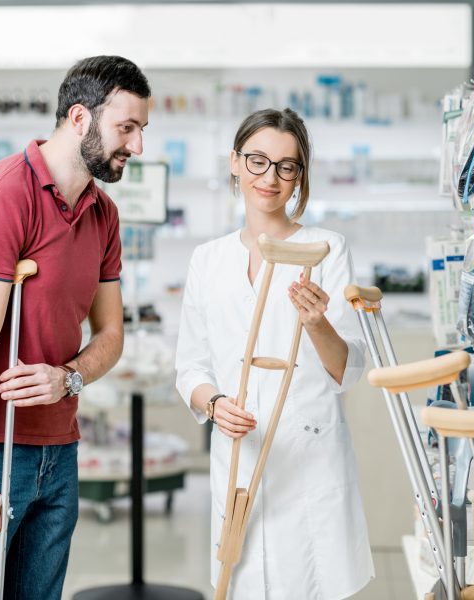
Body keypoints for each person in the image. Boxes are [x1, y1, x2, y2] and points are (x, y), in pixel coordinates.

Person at [0, 55, 150, 599]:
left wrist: (68, 377)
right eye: (127, 128)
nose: (138, 147)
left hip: (58, 445)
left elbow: (111, 336)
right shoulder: (0, 197)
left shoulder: (103, 214)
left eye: (142, 130)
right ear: (78, 118)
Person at [175, 108, 374, 599]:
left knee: (309, 583)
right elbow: (191, 366)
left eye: (287, 166)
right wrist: (214, 404)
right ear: (235, 163)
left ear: (300, 177)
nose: (271, 177)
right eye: (258, 161)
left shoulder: (326, 248)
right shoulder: (208, 259)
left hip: (309, 458)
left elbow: (348, 368)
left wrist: (316, 322)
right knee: (240, 583)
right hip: (240, 459)